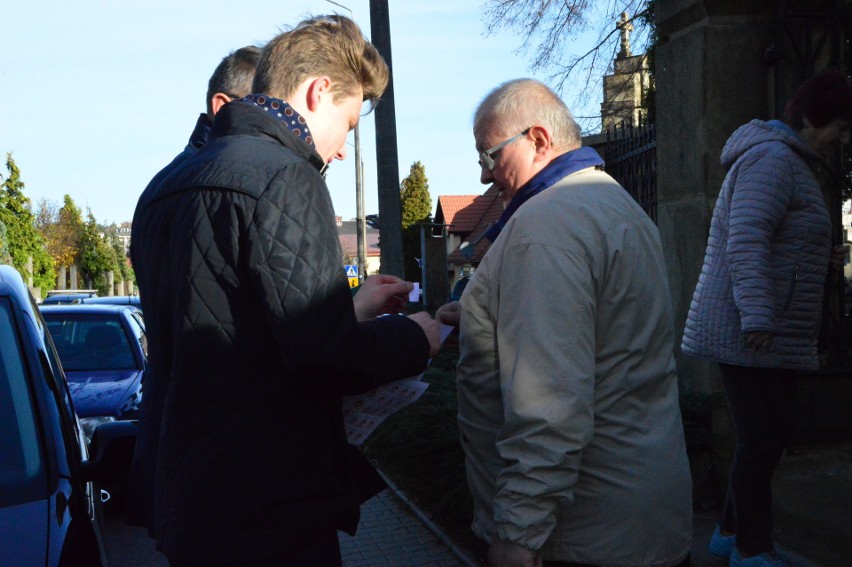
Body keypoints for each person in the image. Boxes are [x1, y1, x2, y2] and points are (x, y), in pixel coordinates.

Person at [130, 15, 440, 566]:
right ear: (318, 91)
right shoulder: (285, 176)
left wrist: (344, 309)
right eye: (347, 124)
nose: (342, 149)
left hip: (188, 500)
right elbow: (326, 359)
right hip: (268, 509)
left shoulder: (163, 186)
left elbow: (235, 330)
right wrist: (416, 337)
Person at [437, 78, 692, 567]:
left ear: (537, 139)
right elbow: (606, 342)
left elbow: (550, 403)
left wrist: (517, 534)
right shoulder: (618, 204)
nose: (487, 176)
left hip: (583, 531)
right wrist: (480, 319)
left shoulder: (545, 226)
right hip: (642, 509)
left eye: (491, 157)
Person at [682, 69, 852, 567]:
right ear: (810, 117)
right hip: (749, 327)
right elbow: (747, 238)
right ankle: (753, 550)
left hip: (769, 327)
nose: (845, 139)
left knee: (766, 438)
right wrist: (757, 315)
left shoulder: (794, 164)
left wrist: (820, 252)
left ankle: (730, 533)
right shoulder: (774, 161)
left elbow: (777, 236)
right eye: (840, 126)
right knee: (764, 439)